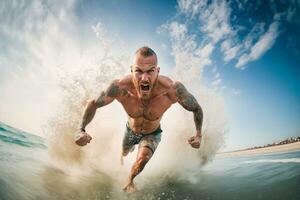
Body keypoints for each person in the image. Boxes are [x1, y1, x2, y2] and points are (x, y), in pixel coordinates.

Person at [74, 46, 203, 193]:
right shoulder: (120, 87)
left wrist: (198, 135)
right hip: (130, 131)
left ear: (158, 71)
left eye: (150, 71)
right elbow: (94, 103)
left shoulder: (172, 90)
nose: (144, 78)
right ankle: (121, 160)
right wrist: (80, 130)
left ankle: (129, 181)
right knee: (124, 152)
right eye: (139, 71)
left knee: (142, 159)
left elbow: (196, 108)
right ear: (132, 70)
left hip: (152, 133)